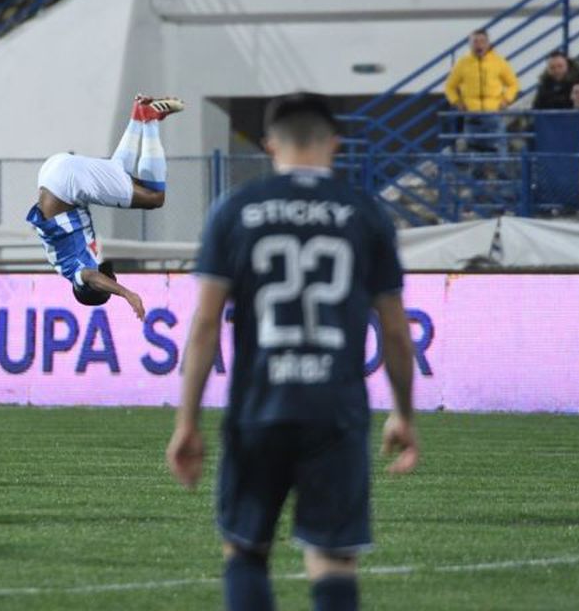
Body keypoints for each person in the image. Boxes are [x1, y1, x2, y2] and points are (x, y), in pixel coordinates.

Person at [165, 93, 419, 611]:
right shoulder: (366, 213)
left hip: (259, 407)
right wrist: (404, 414)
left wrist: (187, 421)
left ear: (269, 145)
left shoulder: (235, 209)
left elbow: (206, 324)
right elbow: (395, 331)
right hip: (336, 412)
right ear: (335, 144)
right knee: (333, 560)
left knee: (245, 550)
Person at [26, 94, 185, 317]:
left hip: (65, 183)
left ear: (92, 289)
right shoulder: (68, 260)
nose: (113, 278)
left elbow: (91, 277)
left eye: (106, 287)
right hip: (52, 173)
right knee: (119, 173)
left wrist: (126, 293)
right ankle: (138, 115)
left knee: (154, 197)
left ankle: (150, 121)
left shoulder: (77, 272)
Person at [444, 29, 519, 156]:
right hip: (472, 115)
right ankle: (476, 168)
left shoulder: (499, 62)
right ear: (470, 44)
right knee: (474, 153)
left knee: (498, 150)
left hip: (493, 114)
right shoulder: (462, 63)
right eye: (475, 41)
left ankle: (499, 168)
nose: (479, 45)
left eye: (482, 41)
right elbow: (449, 87)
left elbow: (513, 84)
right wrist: (457, 102)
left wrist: (506, 100)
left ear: (488, 43)